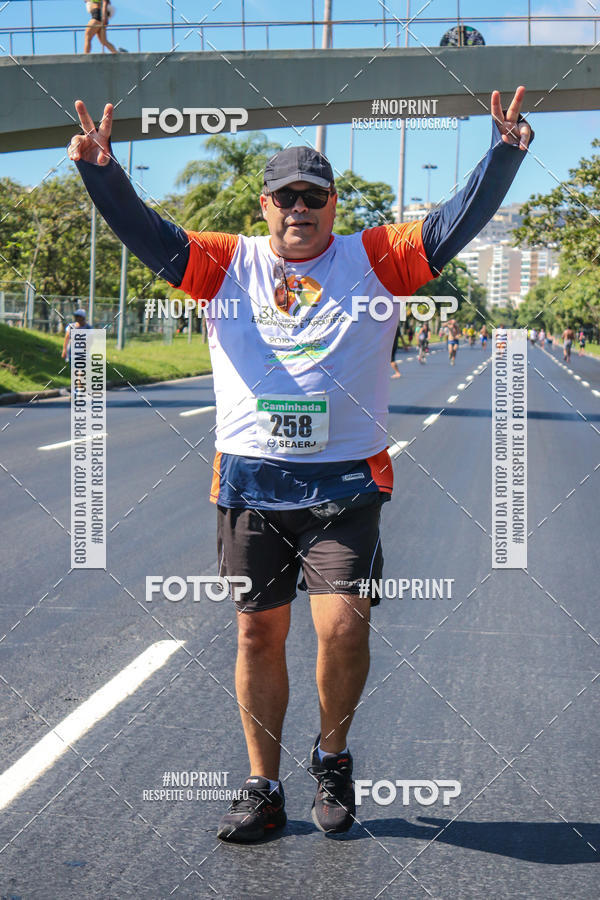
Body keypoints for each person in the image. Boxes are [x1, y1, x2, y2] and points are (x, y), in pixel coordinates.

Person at [68, 87, 532, 842]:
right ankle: (262, 785)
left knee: (344, 628)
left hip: (346, 485)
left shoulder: (374, 258)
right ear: (265, 205)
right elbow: (150, 237)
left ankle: (333, 755)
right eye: (286, 197)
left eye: (313, 197)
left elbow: (451, 226)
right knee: (258, 635)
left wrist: (503, 153)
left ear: (333, 205)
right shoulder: (226, 264)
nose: (299, 209)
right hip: (252, 483)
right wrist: (103, 175)